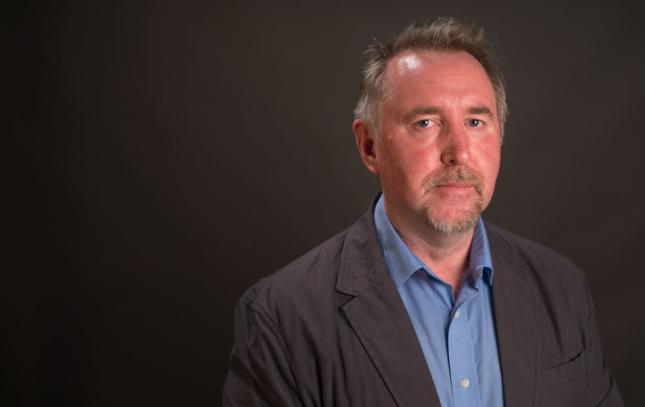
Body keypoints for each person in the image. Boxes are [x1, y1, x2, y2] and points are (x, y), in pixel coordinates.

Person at [223, 17, 624, 407]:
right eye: (426, 122)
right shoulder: (281, 317)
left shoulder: (561, 286)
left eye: (474, 121)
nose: (458, 152)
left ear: (499, 135)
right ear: (370, 146)